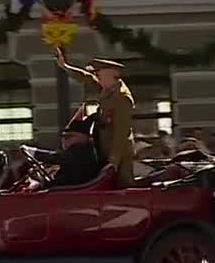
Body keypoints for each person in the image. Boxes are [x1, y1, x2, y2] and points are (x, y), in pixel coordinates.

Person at [55, 49, 135, 187]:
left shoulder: (122, 98)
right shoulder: (107, 88)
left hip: (119, 152)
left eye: (99, 73)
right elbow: (86, 78)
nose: (96, 76)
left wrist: (113, 161)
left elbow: (120, 132)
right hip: (104, 146)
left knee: (122, 186)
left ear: (111, 74)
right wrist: (66, 67)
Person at [21, 107, 101, 188]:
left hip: (71, 194)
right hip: (67, 190)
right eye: (63, 137)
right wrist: (43, 182)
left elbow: (59, 157)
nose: (64, 141)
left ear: (84, 137)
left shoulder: (81, 151)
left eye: (69, 137)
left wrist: (34, 153)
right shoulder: (79, 152)